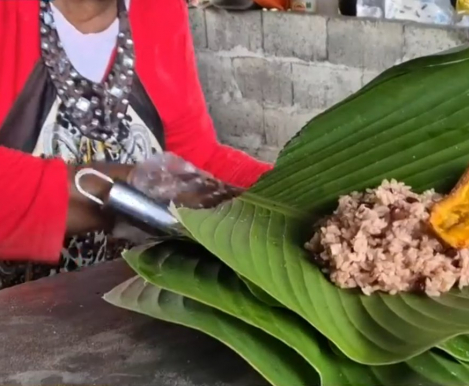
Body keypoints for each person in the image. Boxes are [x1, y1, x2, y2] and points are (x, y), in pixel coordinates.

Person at [0, 0, 272, 288]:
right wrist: (120, 190)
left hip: (116, 310)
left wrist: (295, 190)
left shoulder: (157, 8)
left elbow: (194, 158)